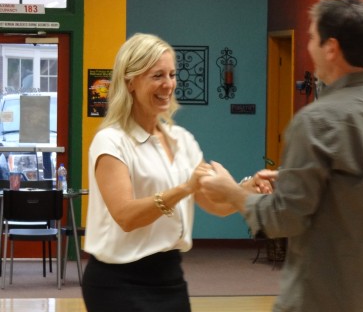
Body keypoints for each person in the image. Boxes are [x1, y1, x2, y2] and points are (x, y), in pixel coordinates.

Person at [200, 0, 363, 312]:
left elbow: (281, 218)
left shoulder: (317, 121)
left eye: (311, 37)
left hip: (322, 299)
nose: (308, 47)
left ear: (331, 48)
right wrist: (298, 177)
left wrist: (231, 192)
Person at [82, 33, 270, 312]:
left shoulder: (182, 139)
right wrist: (184, 189)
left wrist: (247, 187)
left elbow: (214, 204)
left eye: (171, 74)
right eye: (157, 75)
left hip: (169, 277)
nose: (168, 84)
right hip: (118, 282)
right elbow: (126, 216)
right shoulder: (111, 141)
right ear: (130, 82)